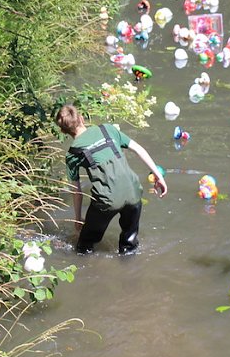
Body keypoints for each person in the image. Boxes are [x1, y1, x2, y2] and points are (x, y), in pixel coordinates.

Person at [56, 104, 167, 254]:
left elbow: (77, 191)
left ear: (63, 131)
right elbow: (139, 149)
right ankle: (131, 269)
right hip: (134, 192)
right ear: (82, 118)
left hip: (107, 200)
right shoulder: (107, 129)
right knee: (130, 245)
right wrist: (159, 177)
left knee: (84, 246)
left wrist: (78, 218)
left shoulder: (72, 154)